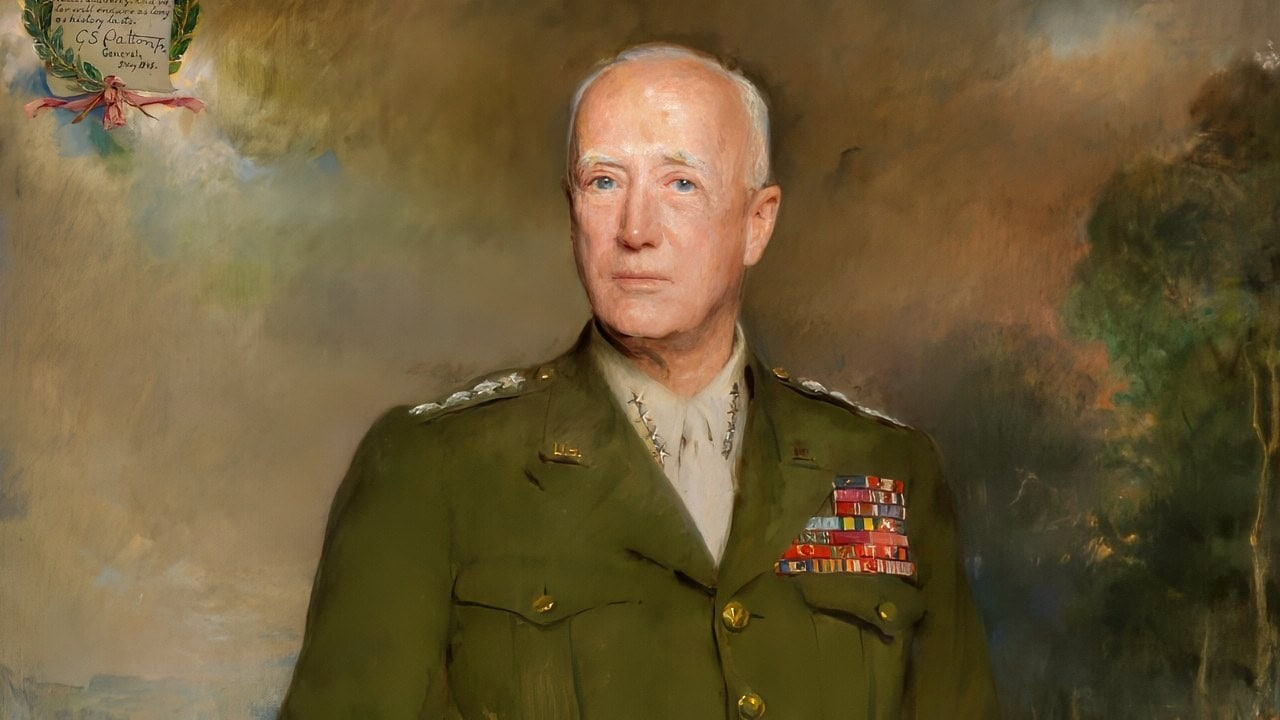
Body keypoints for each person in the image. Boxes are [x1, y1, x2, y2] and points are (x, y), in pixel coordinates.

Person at [279, 43, 999, 719]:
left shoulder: (884, 469)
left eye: (680, 183)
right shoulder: (429, 469)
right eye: (604, 181)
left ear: (756, 223)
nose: (634, 229)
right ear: (572, 211)